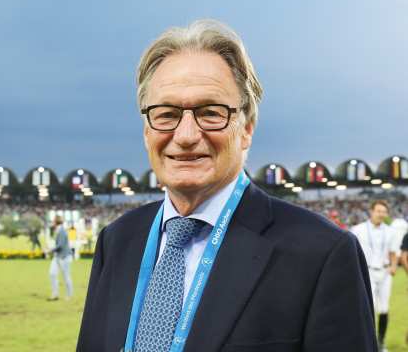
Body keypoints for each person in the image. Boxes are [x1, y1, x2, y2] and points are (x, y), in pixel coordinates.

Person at [77, 20, 377, 351]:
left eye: (210, 112)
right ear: (147, 130)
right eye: (165, 114)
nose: (187, 135)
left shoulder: (322, 254)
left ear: (246, 128)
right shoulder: (117, 241)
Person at [351, 200, 398, 352]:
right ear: (371, 211)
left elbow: (393, 251)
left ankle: (381, 342)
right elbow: (351, 251)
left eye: (384, 211)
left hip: (384, 273)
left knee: (384, 308)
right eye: (378, 211)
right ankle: (367, 343)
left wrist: (393, 265)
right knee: (367, 307)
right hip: (367, 271)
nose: (381, 214)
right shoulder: (358, 229)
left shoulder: (390, 231)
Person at [48, 216, 73, 301]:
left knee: (66, 276)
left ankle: (69, 295)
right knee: (52, 274)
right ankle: (55, 294)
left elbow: (60, 245)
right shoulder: (57, 230)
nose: (52, 223)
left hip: (64, 257)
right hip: (57, 256)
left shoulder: (62, 231)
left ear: (56, 222)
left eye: (53, 221)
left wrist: (49, 250)